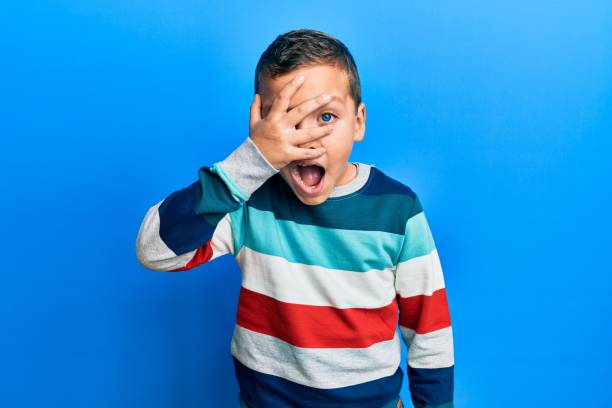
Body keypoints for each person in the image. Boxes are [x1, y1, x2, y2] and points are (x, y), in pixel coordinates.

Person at [135, 28, 454, 408]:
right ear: (260, 126)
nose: (306, 138)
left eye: (326, 116)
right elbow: (154, 251)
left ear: (358, 122)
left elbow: (429, 333)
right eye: (286, 120)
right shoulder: (246, 200)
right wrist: (250, 162)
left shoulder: (397, 209)